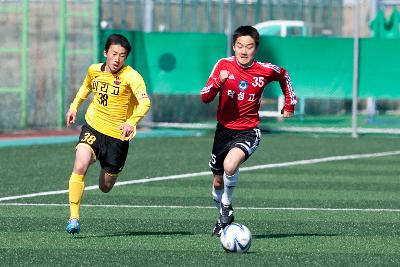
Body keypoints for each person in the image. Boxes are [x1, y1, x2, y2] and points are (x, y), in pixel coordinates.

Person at [200, 25, 297, 237]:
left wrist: (290, 103)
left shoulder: (264, 70)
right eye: (240, 46)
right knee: (217, 181)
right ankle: (224, 216)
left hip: (248, 131)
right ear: (233, 46)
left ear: (256, 48)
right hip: (223, 131)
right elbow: (205, 96)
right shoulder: (223, 65)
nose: (244, 51)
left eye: (249, 47)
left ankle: (226, 206)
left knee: (230, 165)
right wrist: (219, 82)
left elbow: (284, 75)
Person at [65, 33, 151, 234]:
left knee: (105, 186)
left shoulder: (132, 76)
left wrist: (131, 121)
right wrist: (74, 107)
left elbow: (145, 102)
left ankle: (105, 165)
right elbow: (86, 87)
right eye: (114, 54)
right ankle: (74, 218)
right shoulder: (94, 70)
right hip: (93, 126)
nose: (117, 59)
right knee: (80, 164)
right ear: (105, 53)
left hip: (118, 136)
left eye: (122, 55)